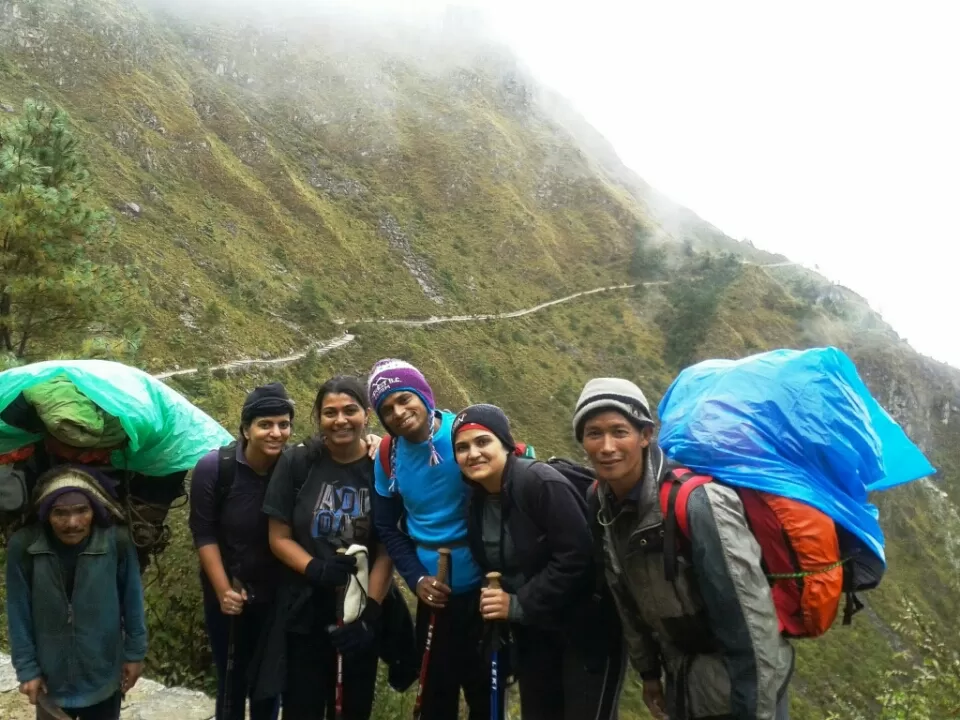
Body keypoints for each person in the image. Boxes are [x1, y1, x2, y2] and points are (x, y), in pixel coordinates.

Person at [574, 378, 794, 720]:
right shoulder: (601, 503)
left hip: (743, 687)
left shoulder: (697, 504)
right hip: (683, 680)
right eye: (593, 433)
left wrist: (754, 709)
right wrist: (648, 674)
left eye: (620, 431)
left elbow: (752, 623)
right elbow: (624, 595)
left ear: (645, 435)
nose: (606, 446)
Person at [452, 403, 626, 720]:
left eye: (482, 442)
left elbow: (578, 557)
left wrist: (517, 604)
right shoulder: (476, 502)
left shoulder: (540, 483)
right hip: (535, 633)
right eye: (462, 448)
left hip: (586, 630)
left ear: (505, 444)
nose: (472, 453)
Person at [261, 376, 403, 720]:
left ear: (366, 414)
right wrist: (315, 568)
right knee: (302, 707)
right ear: (319, 418)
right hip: (304, 610)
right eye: (330, 412)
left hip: (359, 608)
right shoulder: (298, 463)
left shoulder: (382, 466)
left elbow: (387, 548)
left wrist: (370, 614)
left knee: (352, 708)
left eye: (350, 410)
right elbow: (278, 536)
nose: (341, 420)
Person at [367, 359, 488, 719]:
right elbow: (388, 528)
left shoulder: (465, 434)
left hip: (488, 592)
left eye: (404, 399)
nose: (399, 413)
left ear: (423, 393)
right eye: (387, 409)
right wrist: (416, 579)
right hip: (435, 597)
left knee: (485, 693)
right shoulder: (388, 456)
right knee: (437, 696)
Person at [5, 466, 147, 720]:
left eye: (82, 510)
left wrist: (135, 653)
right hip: (51, 681)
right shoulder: (25, 547)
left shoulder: (116, 542)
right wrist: (27, 670)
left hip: (103, 675)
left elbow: (133, 601)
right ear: (46, 513)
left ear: (95, 510)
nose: (72, 523)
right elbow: (19, 613)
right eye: (60, 513)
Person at [188, 382, 295, 720]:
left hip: (278, 596)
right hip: (228, 593)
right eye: (265, 424)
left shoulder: (295, 467)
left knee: (269, 684)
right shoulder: (215, 469)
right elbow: (203, 534)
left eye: (283, 424)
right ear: (246, 429)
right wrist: (222, 591)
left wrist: (372, 441)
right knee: (231, 683)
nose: (276, 433)